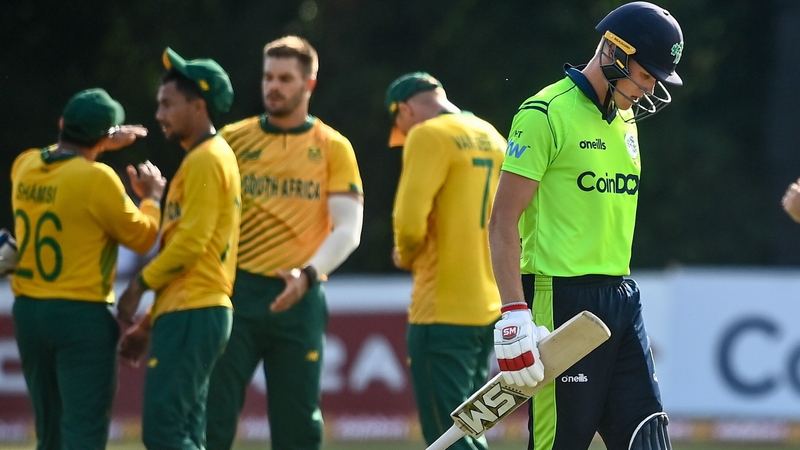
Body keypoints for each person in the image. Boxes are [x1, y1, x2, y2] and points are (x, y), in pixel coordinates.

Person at [488, 2, 684, 450]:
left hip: (620, 297)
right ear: (614, 51)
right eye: (646, 73)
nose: (649, 88)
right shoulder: (544, 113)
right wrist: (514, 314)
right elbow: (502, 222)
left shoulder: (627, 119)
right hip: (559, 300)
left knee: (648, 436)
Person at [204, 36, 364, 450]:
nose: (273, 86)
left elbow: (348, 228)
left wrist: (308, 274)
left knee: (297, 424)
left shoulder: (334, 147)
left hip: (301, 297)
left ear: (309, 83)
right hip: (234, 292)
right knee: (211, 415)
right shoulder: (230, 140)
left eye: (286, 79)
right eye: (268, 77)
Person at [9, 87, 164, 449]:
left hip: (29, 312)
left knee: (50, 432)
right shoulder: (98, 179)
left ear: (61, 123)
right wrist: (152, 199)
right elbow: (143, 238)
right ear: (105, 137)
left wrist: (99, 141)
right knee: (84, 431)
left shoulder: (25, 164)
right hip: (80, 316)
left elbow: (62, 161)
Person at [116, 47, 241, 450]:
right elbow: (195, 255)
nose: (159, 114)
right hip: (193, 309)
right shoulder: (205, 159)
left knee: (165, 433)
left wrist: (139, 284)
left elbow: (191, 244)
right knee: (186, 434)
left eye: (168, 104)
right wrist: (151, 321)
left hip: (194, 311)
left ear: (198, 105)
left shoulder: (206, 159)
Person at [385, 72, 506, 450]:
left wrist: (405, 255)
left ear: (404, 110)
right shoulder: (492, 135)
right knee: (472, 428)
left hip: (441, 308)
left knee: (448, 436)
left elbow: (407, 222)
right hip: (487, 305)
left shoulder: (427, 134)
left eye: (398, 125)